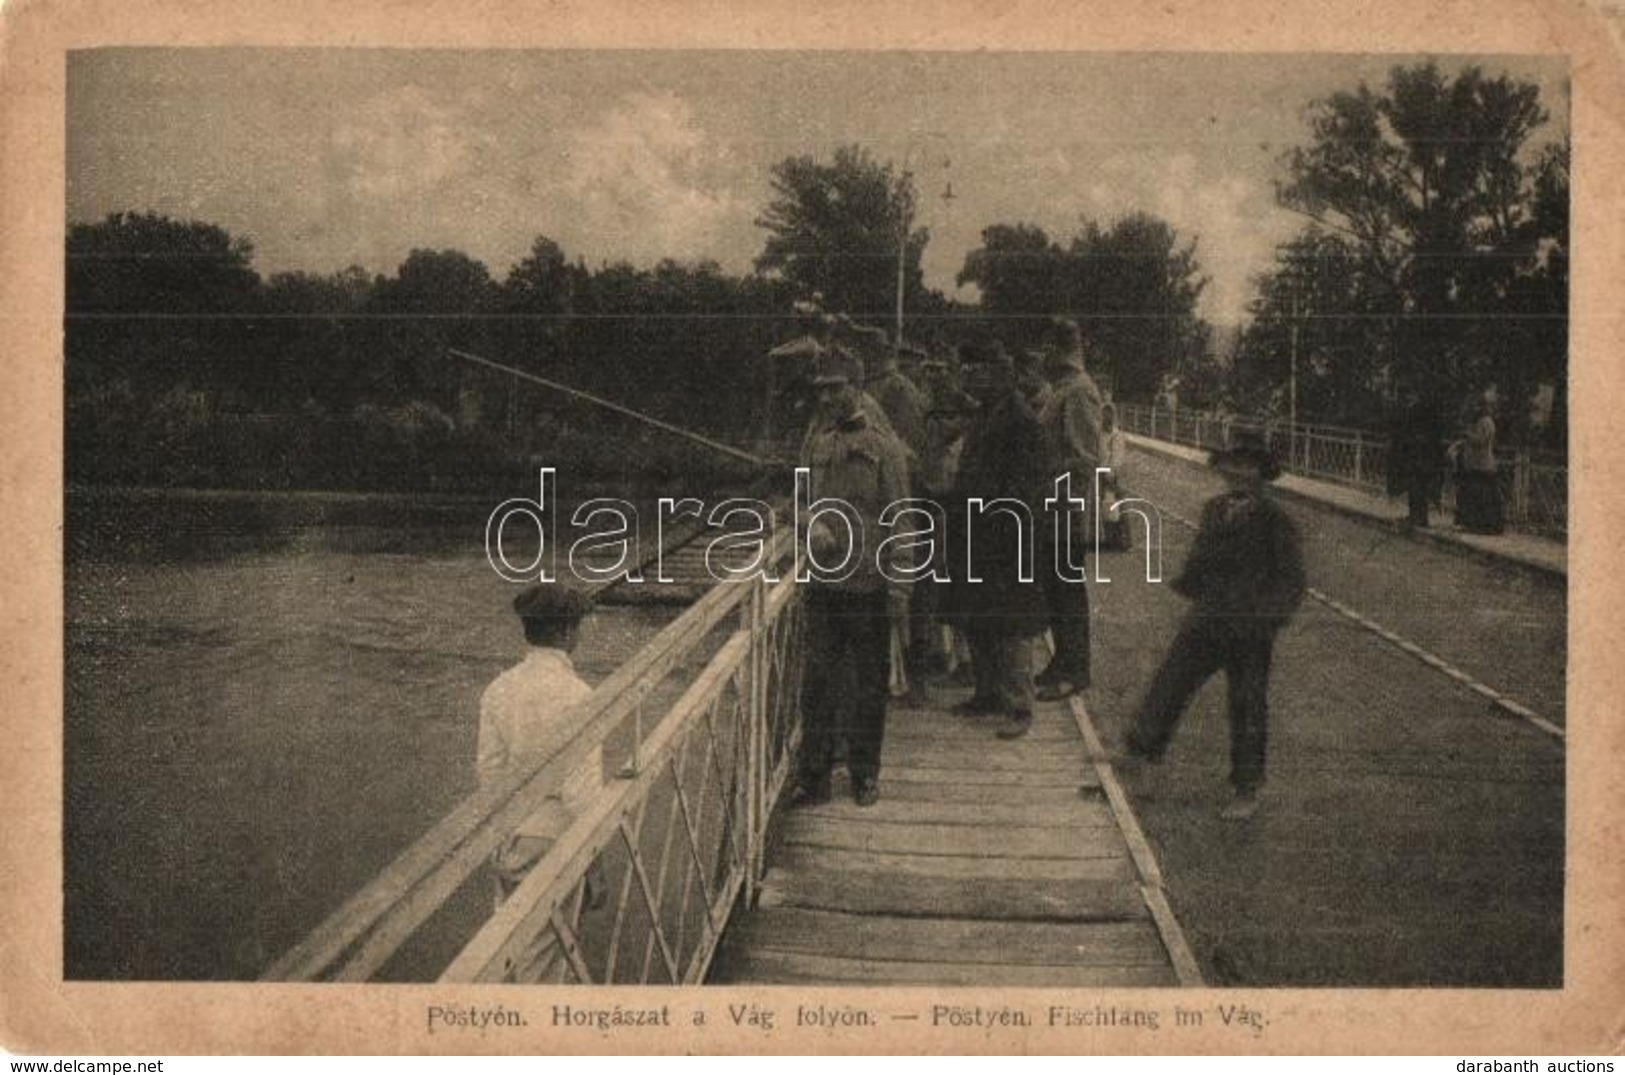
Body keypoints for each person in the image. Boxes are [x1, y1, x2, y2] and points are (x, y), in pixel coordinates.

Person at [1122, 432, 1306, 821]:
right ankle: (1139, 757)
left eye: (1248, 465)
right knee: (1170, 683)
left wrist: (1267, 618)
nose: (1238, 472)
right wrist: (1191, 588)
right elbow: (1201, 559)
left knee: (1247, 704)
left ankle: (1247, 786)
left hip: (1250, 628)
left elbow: (1291, 581)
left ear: (1263, 473)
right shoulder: (1213, 509)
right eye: (1232, 464)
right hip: (1208, 616)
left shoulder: (1276, 519)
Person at [794, 347, 913, 807]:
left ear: (857, 387)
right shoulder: (818, 443)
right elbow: (797, 502)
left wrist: (901, 585)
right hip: (823, 585)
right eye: (821, 388)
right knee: (817, 683)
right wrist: (811, 524)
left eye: (835, 387)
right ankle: (815, 777)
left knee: (867, 686)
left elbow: (902, 518)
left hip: (869, 584)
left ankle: (865, 773)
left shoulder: (884, 448)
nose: (826, 396)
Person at [476, 583, 603, 979]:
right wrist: (595, 861)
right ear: (566, 632)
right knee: (546, 962)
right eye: (577, 627)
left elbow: (489, 772)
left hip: (510, 835)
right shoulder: (579, 694)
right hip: (553, 840)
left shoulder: (498, 689)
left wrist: (498, 835)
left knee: (508, 949)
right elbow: (581, 791)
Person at [941, 340, 1051, 740]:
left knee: (1013, 626)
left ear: (1000, 375)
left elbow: (1030, 486)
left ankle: (1019, 707)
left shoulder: (1021, 420)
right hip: (979, 532)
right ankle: (987, 693)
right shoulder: (988, 414)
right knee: (979, 617)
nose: (972, 378)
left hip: (1008, 536)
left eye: (980, 371)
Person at [1036, 316, 1105, 701]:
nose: (1041, 355)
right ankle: (1061, 662)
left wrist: (1044, 474)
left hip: (1066, 508)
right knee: (1056, 589)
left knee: (1067, 590)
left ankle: (1075, 671)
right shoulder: (1060, 388)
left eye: (1046, 347)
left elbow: (1083, 458)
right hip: (1052, 507)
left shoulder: (1078, 391)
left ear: (1058, 349)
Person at [1387, 388, 1447, 528]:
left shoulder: (1419, 411)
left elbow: (1413, 432)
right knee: (1415, 487)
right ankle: (1417, 516)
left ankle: (1418, 517)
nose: (1409, 398)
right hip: (1418, 457)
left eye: (1410, 395)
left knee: (1418, 487)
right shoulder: (1419, 411)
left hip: (1419, 457)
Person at [1453, 385, 1505, 535]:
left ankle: (1485, 525)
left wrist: (1467, 434)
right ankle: (1474, 524)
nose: (1475, 409)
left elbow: (1481, 441)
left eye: (1478, 406)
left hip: (1483, 465)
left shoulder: (1486, 422)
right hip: (1475, 464)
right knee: (1474, 495)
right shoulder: (1480, 422)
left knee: (1483, 496)